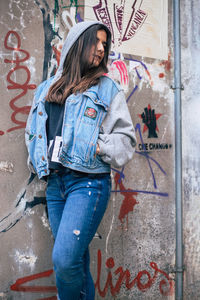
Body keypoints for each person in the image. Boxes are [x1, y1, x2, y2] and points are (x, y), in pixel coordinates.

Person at [25, 20, 136, 300]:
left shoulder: (107, 89)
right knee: (76, 262)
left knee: (64, 260)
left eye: (104, 44)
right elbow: (32, 132)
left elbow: (126, 143)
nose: (101, 49)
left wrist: (94, 144)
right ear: (78, 43)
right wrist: (37, 162)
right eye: (95, 42)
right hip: (55, 186)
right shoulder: (47, 89)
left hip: (87, 185)